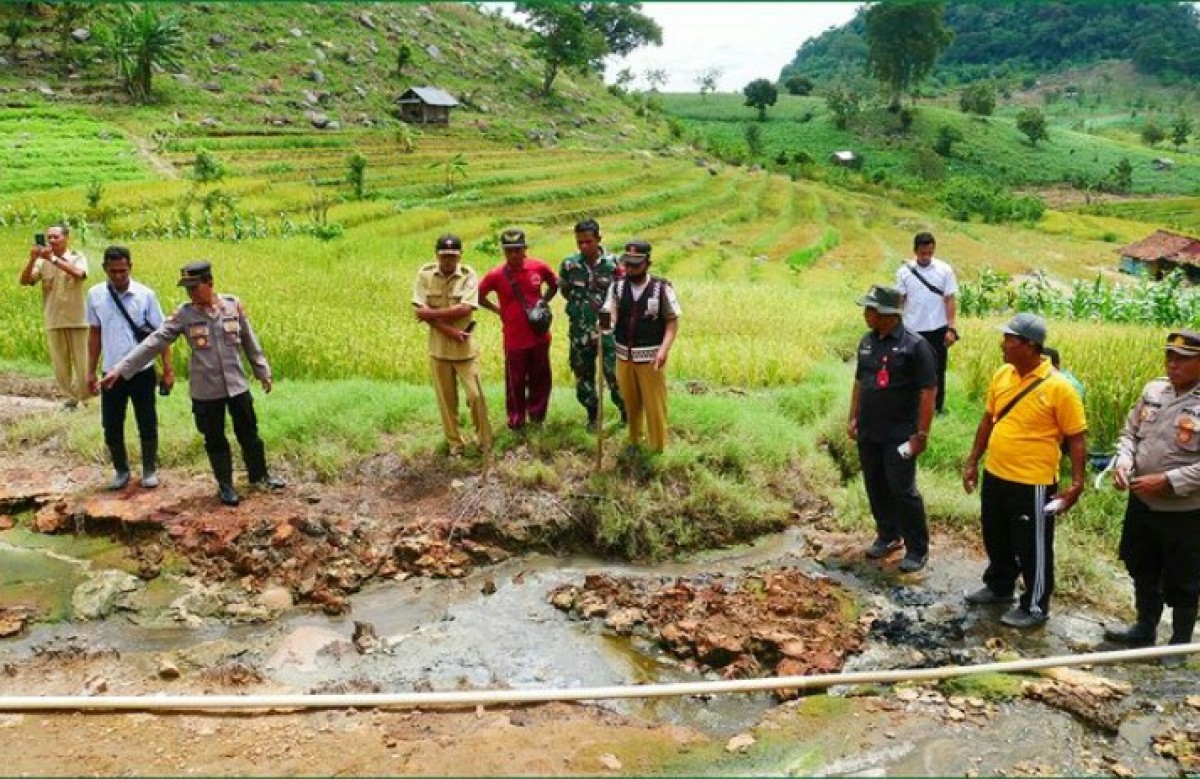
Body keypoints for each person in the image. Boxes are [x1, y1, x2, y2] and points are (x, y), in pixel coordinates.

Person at [101, 261, 284, 507]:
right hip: (206, 390)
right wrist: (121, 369)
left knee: (249, 432)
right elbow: (154, 342)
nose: (191, 293)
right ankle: (226, 486)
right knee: (215, 438)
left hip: (236, 385)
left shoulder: (232, 305)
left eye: (195, 287)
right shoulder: (184, 315)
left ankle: (260, 476)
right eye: (187, 289)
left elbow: (250, 341)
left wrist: (262, 371)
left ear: (210, 283)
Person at [962, 313, 1087, 628]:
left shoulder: (1059, 387)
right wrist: (973, 459)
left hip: (1033, 481)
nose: (1003, 344)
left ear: (1030, 346)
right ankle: (1000, 586)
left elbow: (1076, 438)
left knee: (1033, 546)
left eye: (1010, 339)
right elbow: (988, 418)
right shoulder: (1003, 374)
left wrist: (1076, 483)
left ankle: (1035, 605)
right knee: (996, 535)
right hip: (996, 473)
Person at [1104, 330, 1200, 665]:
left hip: (1184, 510)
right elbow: (1130, 432)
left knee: (1183, 575)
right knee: (1139, 562)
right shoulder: (1154, 390)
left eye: (1183, 359)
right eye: (1170, 357)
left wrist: (1169, 480)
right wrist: (1125, 460)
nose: (1173, 364)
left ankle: (1178, 644)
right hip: (1142, 502)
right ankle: (1145, 628)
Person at [847, 285, 937, 573]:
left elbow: (928, 391)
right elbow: (860, 382)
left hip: (900, 432)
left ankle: (917, 548)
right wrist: (853, 417)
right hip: (870, 429)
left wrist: (921, 434)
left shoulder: (915, 346)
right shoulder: (866, 341)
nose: (865, 314)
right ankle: (888, 535)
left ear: (886, 314)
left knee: (902, 488)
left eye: (870, 310)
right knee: (875, 483)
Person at [85, 246, 175, 490]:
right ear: (105, 269)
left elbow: (162, 334)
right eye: (113, 271)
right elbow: (94, 333)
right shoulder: (95, 295)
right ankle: (121, 470)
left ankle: (148, 469)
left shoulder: (145, 295)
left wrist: (167, 369)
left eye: (123, 271)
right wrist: (90, 371)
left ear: (130, 267)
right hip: (110, 371)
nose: (118, 276)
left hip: (142, 371)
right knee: (111, 423)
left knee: (146, 419)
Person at [412, 234, 492, 456]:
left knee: (476, 396)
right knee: (447, 403)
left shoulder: (468, 276)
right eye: (444, 255)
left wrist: (431, 314)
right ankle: (455, 444)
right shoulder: (425, 275)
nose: (448, 260)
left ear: (460, 256)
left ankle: (484, 440)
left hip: (465, 351)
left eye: (453, 256)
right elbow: (418, 310)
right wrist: (449, 330)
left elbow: (465, 309)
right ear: (436, 254)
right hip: (439, 351)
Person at [600, 239, 680, 453]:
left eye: (636, 264)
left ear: (648, 263)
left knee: (654, 405)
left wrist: (664, 350)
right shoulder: (616, 287)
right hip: (624, 356)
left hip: (652, 357)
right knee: (631, 403)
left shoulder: (661, 288)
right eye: (627, 263)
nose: (631, 268)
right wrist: (605, 326)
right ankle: (635, 441)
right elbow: (610, 311)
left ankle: (657, 448)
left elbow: (672, 322)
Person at [479, 228, 559, 431]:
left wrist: (542, 303)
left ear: (525, 249)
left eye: (517, 250)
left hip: (539, 336)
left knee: (540, 378)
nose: (513, 255)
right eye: (509, 251)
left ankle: (538, 418)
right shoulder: (496, 275)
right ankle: (516, 420)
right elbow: (478, 296)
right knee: (515, 382)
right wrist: (498, 311)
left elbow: (554, 284)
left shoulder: (538, 267)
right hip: (514, 339)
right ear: (504, 252)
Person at [559, 219, 625, 431]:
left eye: (588, 241)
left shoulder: (613, 264)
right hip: (580, 331)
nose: (584, 246)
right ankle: (593, 415)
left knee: (614, 375)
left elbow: (622, 295)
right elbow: (565, 290)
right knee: (582, 375)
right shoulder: (570, 264)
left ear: (599, 239)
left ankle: (626, 414)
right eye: (580, 242)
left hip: (608, 331)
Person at [19, 223, 90, 407]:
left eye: (55, 237)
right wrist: (32, 260)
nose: (51, 240)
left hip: (78, 320)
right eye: (48, 237)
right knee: (60, 366)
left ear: (66, 238)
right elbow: (25, 281)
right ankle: (70, 399)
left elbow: (80, 274)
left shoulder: (77, 257)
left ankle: (87, 399)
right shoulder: (42, 263)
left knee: (83, 363)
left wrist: (54, 259)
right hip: (54, 320)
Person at [895, 232, 958, 414]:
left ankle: (936, 408)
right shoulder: (904, 272)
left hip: (938, 329)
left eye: (929, 253)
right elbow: (900, 301)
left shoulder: (944, 270)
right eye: (922, 253)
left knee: (938, 370)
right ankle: (911, 407)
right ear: (915, 251)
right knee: (910, 369)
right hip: (912, 330)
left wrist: (951, 328)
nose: (926, 257)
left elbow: (950, 300)